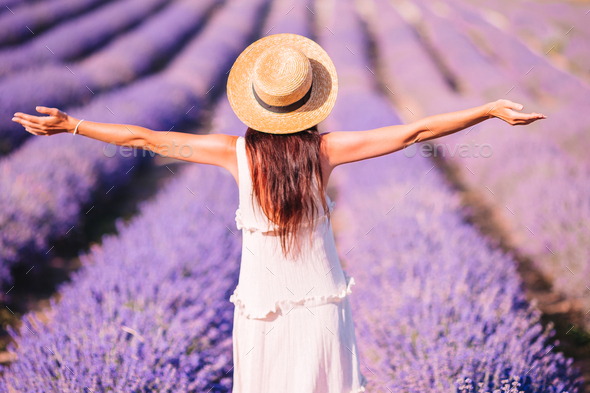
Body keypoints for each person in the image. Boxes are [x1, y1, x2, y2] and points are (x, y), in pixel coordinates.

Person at [11, 33, 544, 393]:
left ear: (256, 105)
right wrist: (489, 109)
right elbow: (414, 131)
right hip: (320, 304)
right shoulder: (327, 151)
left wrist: (73, 125)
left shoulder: (232, 152)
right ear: (309, 101)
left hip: (260, 308)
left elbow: (144, 136)